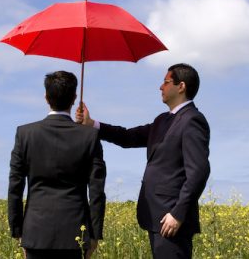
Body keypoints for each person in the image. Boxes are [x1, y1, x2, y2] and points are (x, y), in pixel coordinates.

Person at [77, 63, 210, 259]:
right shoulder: (162, 120)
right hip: (156, 217)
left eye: (166, 82)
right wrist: (92, 124)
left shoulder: (193, 120)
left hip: (171, 219)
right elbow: (127, 137)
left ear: (181, 86)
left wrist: (178, 214)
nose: (160, 87)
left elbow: (199, 171)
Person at [8, 71, 106, 259]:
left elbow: (15, 187)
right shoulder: (90, 136)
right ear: (74, 98)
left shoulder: (25, 134)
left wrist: (18, 230)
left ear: (46, 97)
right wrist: (94, 235)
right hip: (75, 233)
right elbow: (96, 191)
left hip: (35, 232)